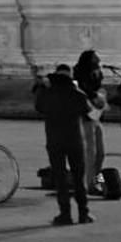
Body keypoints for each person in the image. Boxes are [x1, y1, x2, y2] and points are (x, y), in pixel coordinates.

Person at [35, 62, 92, 226]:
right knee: (79, 177)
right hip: (75, 139)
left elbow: (39, 107)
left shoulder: (47, 93)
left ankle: (65, 214)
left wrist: (42, 88)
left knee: (60, 178)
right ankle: (83, 213)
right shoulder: (77, 93)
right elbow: (88, 109)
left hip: (55, 140)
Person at [73, 49, 106, 195]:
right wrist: (94, 96)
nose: (98, 60)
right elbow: (82, 91)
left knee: (101, 154)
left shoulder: (97, 74)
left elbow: (99, 90)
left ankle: (99, 182)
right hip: (86, 117)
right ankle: (90, 185)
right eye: (95, 58)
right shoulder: (79, 74)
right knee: (90, 154)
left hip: (97, 116)